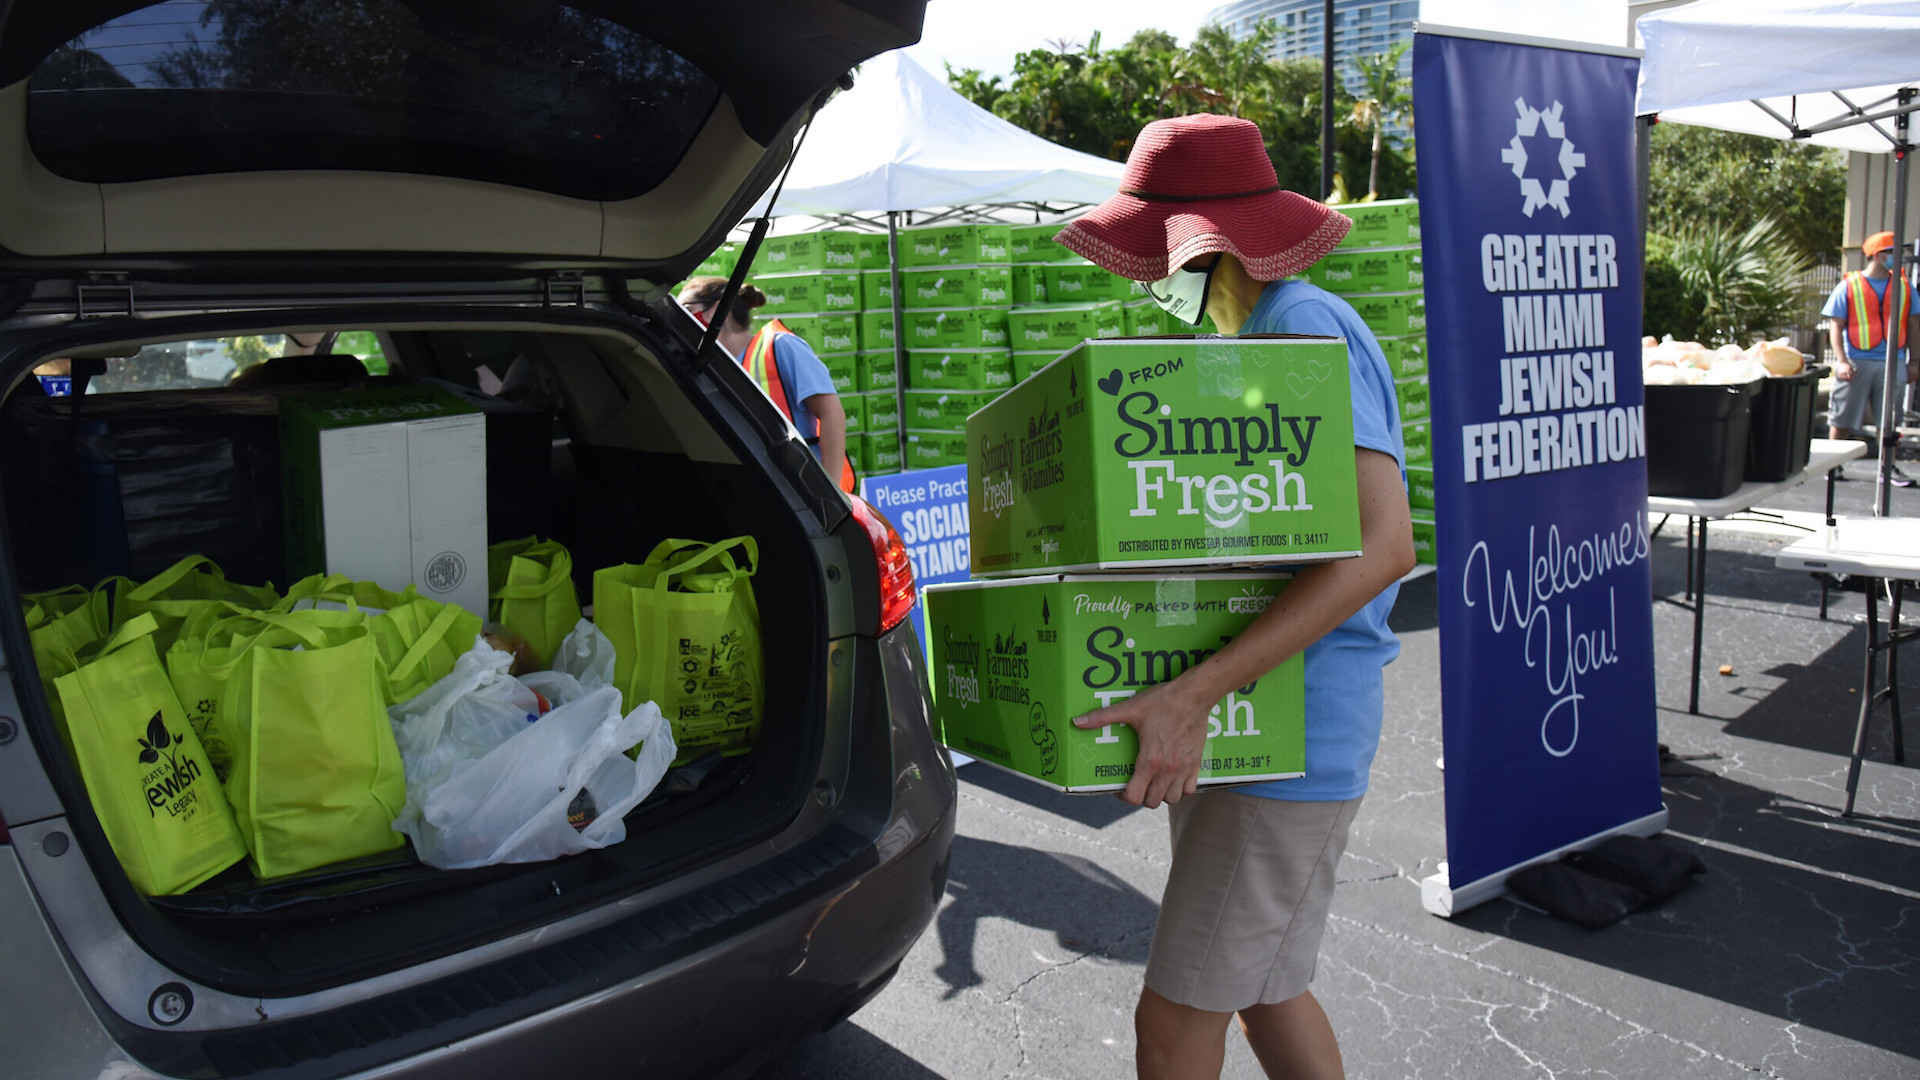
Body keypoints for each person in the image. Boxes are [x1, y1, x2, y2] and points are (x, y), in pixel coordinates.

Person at [1056, 114, 1415, 1080]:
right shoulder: (1254, 336)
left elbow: (1383, 547)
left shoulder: (1299, 325)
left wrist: (1193, 692)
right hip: (1264, 722)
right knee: (1261, 991)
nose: (1142, 278)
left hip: (1286, 735)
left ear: (1203, 249)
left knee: (1176, 1020)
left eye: (1155, 257)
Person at [678, 276, 854, 492]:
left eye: (686, 310)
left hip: (802, 492)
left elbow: (832, 414)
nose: (682, 320)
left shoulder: (781, 347)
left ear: (717, 310)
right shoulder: (715, 370)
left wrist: (831, 492)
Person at [1822, 231, 1919, 487]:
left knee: (1889, 419)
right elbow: (1835, 325)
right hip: (1856, 360)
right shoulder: (1849, 285)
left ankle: (1888, 468)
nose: (1899, 257)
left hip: (1893, 360)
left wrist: (1914, 361)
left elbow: (1913, 325)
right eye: (1894, 252)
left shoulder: (1905, 286)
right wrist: (1841, 360)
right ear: (1878, 255)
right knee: (1842, 416)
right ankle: (1834, 465)